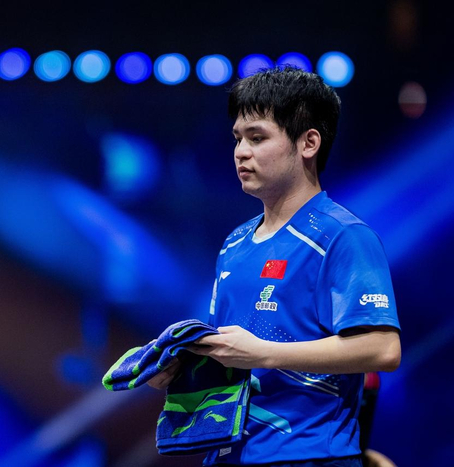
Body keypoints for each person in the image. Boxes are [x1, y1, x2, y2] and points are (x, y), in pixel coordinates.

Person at [148, 67, 401, 466]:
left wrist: (264, 353)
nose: (240, 151)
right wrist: (180, 367)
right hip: (226, 455)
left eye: (257, 137)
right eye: (237, 138)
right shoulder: (234, 243)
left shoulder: (343, 236)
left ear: (308, 143)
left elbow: (382, 348)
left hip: (308, 455)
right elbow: (233, 356)